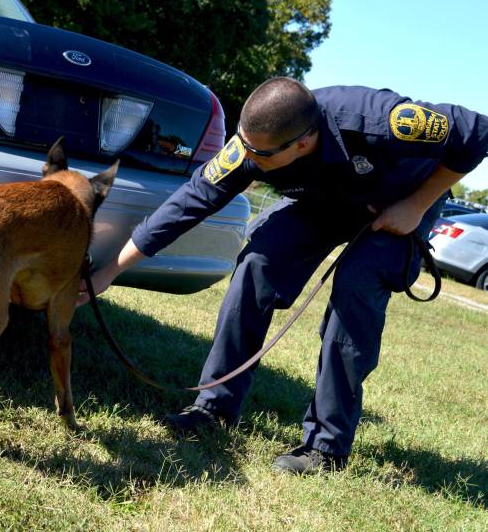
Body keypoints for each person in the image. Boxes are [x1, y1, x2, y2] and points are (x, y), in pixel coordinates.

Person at [79, 78, 488, 475]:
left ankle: (325, 447)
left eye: (260, 156)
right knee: (256, 264)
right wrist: (111, 270)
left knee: (354, 287)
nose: (248, 160)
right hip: (322, 202)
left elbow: (476, 132)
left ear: (303, 143)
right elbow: (188, 202)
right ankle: (213, 408)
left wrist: (416, 205)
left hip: (397, 206)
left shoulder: (376, 119)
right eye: (245, 146)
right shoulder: (254, 145)